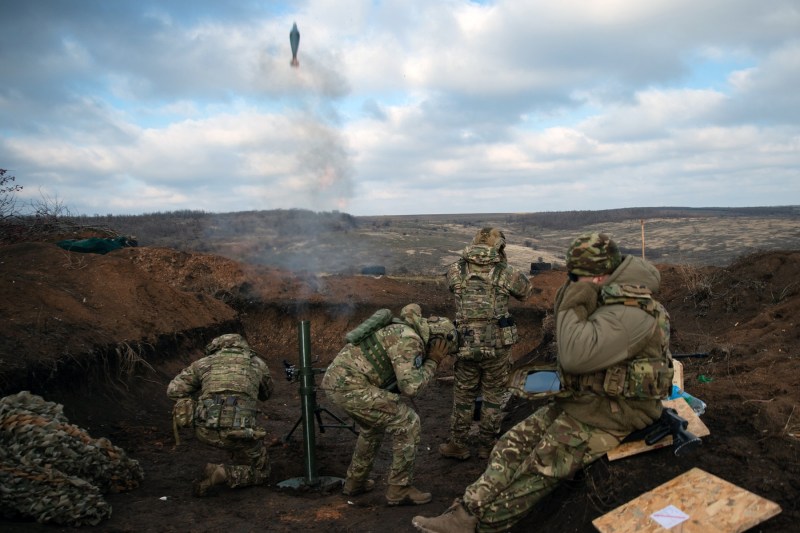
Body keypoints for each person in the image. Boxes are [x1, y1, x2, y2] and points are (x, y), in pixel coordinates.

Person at [413, 232, 675, 532]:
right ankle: (464, 513)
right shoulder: (609, 298)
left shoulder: (633, 311)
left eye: (580, 274)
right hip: (586, 401)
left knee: (540, 465)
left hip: (615, 413)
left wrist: (577, 296)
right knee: (510, 444)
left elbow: (575, 356)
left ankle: (483, 526)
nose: (575, 279)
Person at [321, 303, 458, 506]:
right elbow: (411, 387)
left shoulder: (403, 327)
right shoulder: (410, 339)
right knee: (408, 422)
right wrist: (434, 361)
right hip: (350, 387)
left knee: (372, 428)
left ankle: (354, 483)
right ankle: (399, 489)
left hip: (339, 382)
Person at [440, 227, 532, 461]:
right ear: (498, 245)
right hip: (497, 346)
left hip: (465, 343)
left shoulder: (455, 270)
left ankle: (457, 444)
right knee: (494, 396)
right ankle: (487, 445)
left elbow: (451, 286)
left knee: (463, 395)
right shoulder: (505, 272)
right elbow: (525, 292)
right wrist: (503, 262)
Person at [167, 333, 273, 497]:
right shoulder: (258, 364)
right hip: (239, 433)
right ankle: (224, 473)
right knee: (262, 471)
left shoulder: (203, 363)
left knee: (237, 446)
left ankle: (213, 468)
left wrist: (195, 401)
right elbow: (267, 394)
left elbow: (174, 390)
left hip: (204, 431)